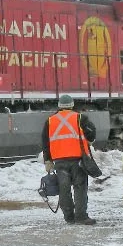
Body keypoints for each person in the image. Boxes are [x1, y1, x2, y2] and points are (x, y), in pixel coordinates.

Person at [42, 94, 97, 225]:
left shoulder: (50, 121)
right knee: (80, 187)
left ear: (59, 106)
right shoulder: (80, 118)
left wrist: (48, 160)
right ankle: (81, 216)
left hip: (59, 161)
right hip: (77, 159)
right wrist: (89, 140)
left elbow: (45, 142)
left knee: (63, 189)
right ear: (72, 105)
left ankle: (69, 217)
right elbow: (91, 131)